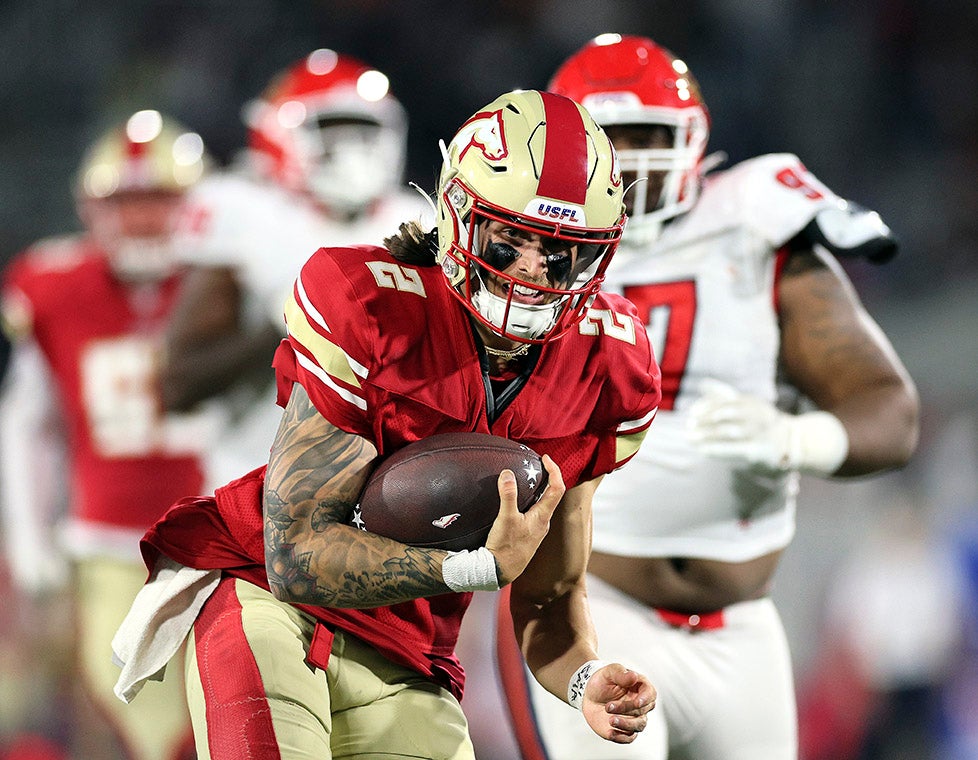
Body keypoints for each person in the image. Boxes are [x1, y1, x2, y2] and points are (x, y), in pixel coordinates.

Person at [111, 88, 662, 759]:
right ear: (459, 216)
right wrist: (471, 568)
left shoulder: (607, 365)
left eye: (558, 250)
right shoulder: (372, 303)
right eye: (511, 239)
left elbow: (549, 597)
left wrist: (584, 680)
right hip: (271, 608)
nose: (531, 272)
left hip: (410, 656)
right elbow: (298, 556)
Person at [492, 34, 921, 759]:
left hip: (744, 628)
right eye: (610, 136)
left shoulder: (753, 227)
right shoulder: (526, 250)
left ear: (691, 140)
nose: (630, 157)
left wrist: (800, 440)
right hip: (593, 609)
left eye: (649, 136)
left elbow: (891, 413)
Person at [0, 110, 214, 760]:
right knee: (131, 700)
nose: (143, 221)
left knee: (225, 701)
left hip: (226, 541)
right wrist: (29, 535)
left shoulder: (233, 282)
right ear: (92, 210)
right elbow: (28, 423)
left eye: (159, 201)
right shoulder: (55, 286)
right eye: (126, 204)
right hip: (108, 545)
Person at [160, 48, 431, 493]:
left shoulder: (418, 221)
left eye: (364, 132)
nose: (353, 152)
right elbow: (179, 384)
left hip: (379, 487)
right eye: (333, 131)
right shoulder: (245, 211)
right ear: (281, 134)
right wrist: (287, 323)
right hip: (255, 482)